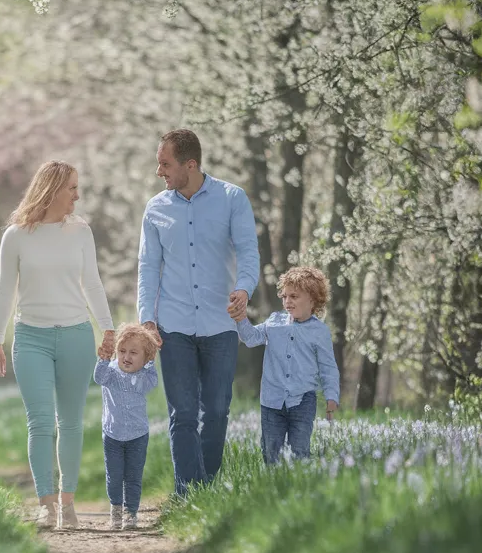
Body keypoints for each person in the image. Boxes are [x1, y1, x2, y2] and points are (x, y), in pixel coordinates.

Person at [0, 160, 116, 530]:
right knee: (41, 421)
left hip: (76, 335)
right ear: (53, 189)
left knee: (71, 422)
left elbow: (92, 283)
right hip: (31, 337)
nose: (77, 195)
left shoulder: (80, 232)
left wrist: (107, 329)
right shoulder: (15, 236)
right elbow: (4, 289)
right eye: (72, 188)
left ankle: (68, 503)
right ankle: (46, 503)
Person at [137, 129, 260, 497]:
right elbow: (147, 266)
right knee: (183, 414)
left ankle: (205, 489)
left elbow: (248, 252)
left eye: (165, 163)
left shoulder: (232, 198)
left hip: (220, 322)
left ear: (190, 164)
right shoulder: (156, 208)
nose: (159, 171)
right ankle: (189, 494)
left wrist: (244, 288)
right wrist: (147, 317)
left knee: (218, 412)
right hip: (172, 325)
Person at [236, 266, 340, 464]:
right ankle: (273, 490)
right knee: (270, 453)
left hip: (303, 401)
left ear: (312, 298)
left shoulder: (320, 331)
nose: (287, 301)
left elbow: (328, 367)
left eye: (294, 296)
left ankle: (296, 488)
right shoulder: (275, 322)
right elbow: (250, 338)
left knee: (299, 452)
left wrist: (332, 396)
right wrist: (241, 318)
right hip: (271, 401)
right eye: (284, 296)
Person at [93, 323, 160, 531]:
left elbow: (150, 383)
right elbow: (99, 378)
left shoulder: (145, 376)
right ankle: (115, 510)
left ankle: (131, 513)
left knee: (133, 476)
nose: (126, 357)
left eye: (133, 353)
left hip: (137, 435)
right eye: (122, 351)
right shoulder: (111, 372)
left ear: (145, 357)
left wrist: (149, 363)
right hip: (112, 435)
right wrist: (103, 359)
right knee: (114, 476)